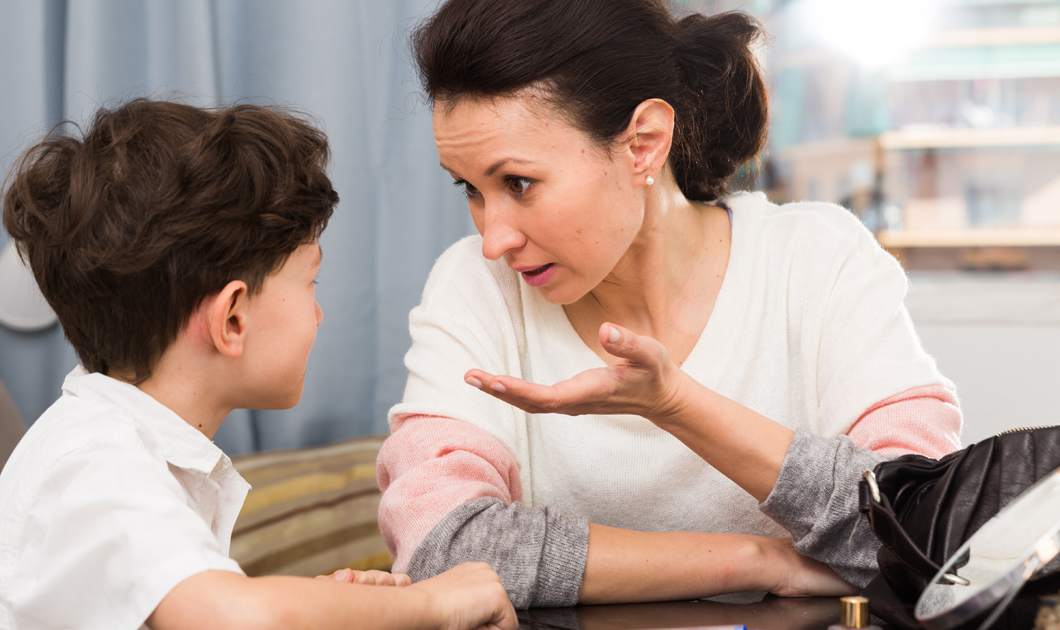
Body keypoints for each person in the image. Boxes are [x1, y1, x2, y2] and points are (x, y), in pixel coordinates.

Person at [365, 0, 963, 610]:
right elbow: (443, 543)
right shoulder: (477, 287)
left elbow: (925, 533)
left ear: (643, 144)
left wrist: (678, 406)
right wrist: (756, 561)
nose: (494, 240)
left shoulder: (817, 261)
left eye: (518, 183)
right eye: (471, 188)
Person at [0, 99, 517, 630]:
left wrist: (345, 609)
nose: (318, 313)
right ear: (232, 321)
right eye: (309, 280)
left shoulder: (125, 449)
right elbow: (237, 618)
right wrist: (429, 604)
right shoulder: (91, 463)